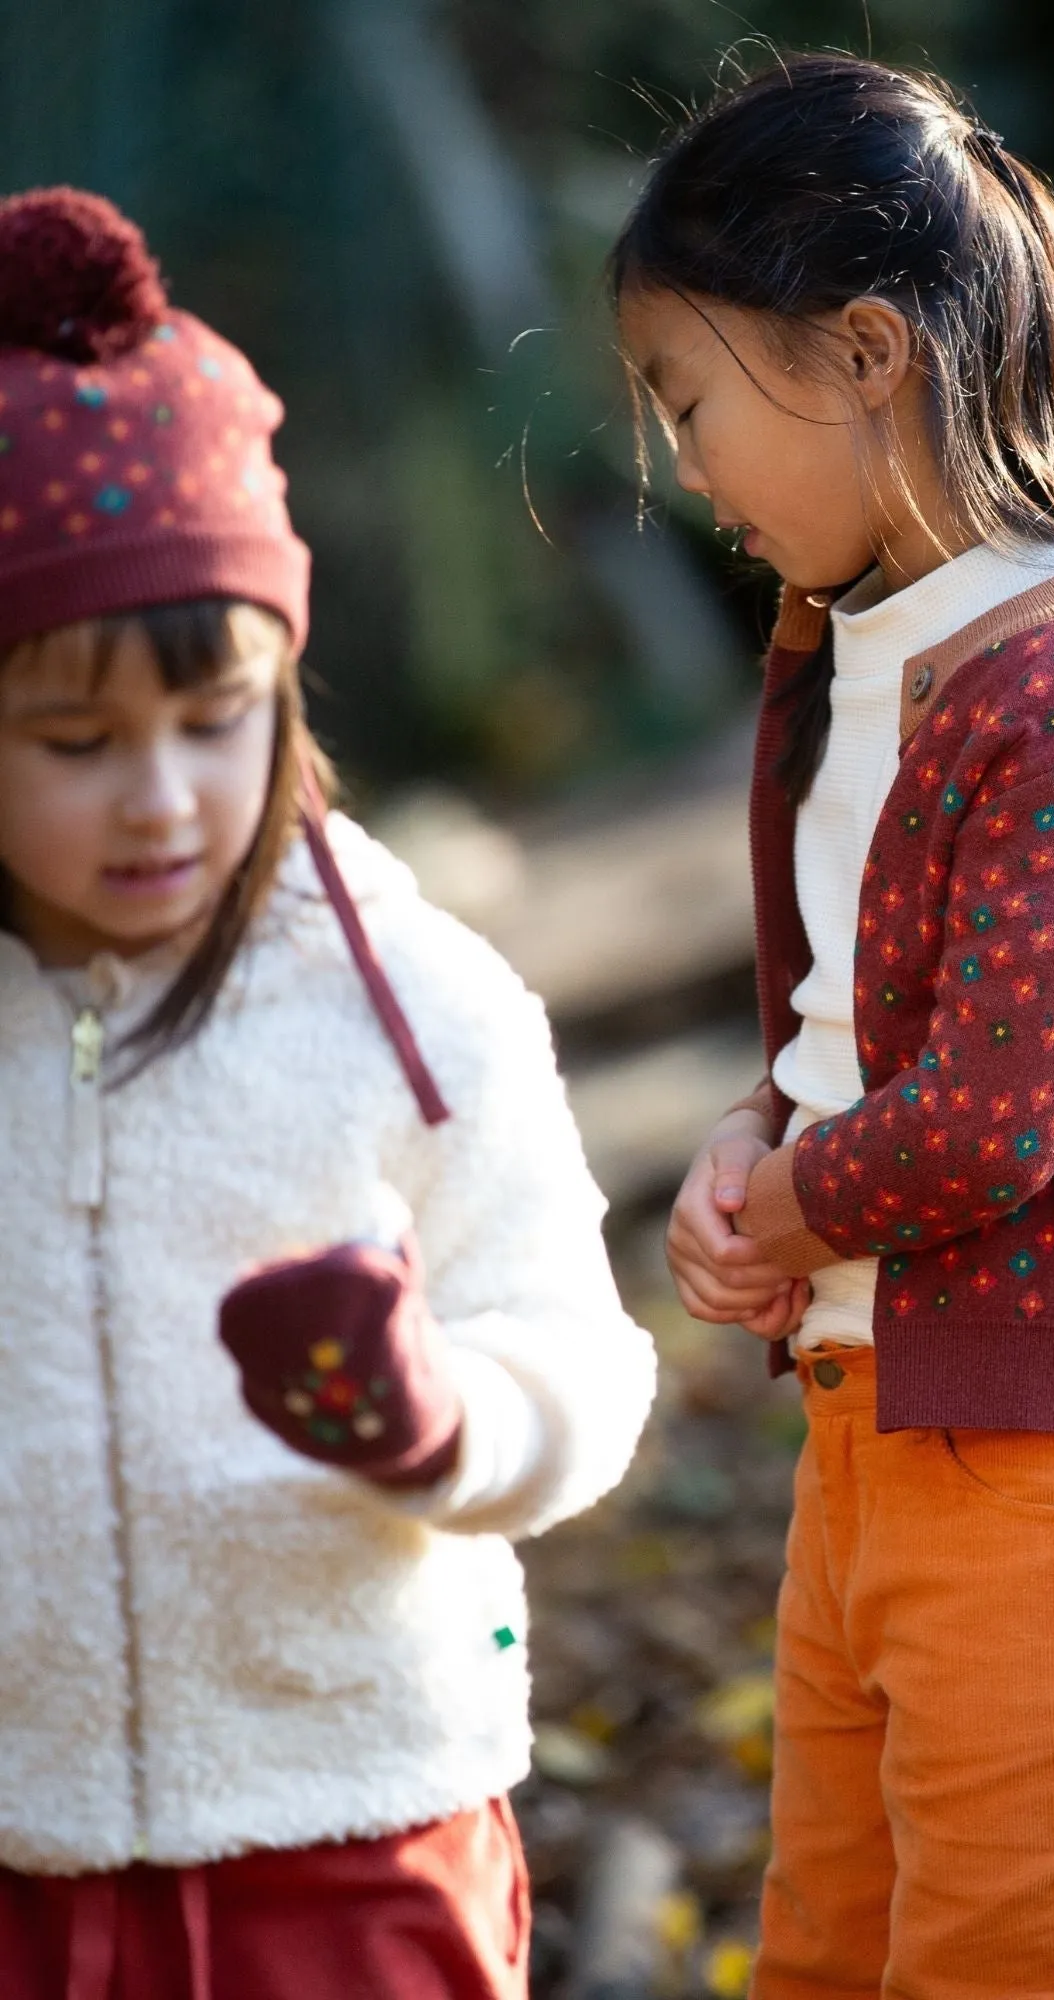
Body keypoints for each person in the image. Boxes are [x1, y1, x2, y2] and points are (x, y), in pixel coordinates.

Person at [626, 56, 1054, 1999]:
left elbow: (996, 1107)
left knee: (1012, 1962)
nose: (681, 463)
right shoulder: (857, 646)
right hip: (878, 1431)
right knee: (831, 1953)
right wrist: (751, 1131)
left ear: (855, 353)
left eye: (688, 399)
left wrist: (789, 1208)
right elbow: (856, 1010)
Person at [0, 187, 657, 1999]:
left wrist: (446, 1425)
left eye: (215, 719)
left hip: (354, 1829)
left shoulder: (404, 1005)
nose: (160, 799)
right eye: (73, 745)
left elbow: (582, 1363)